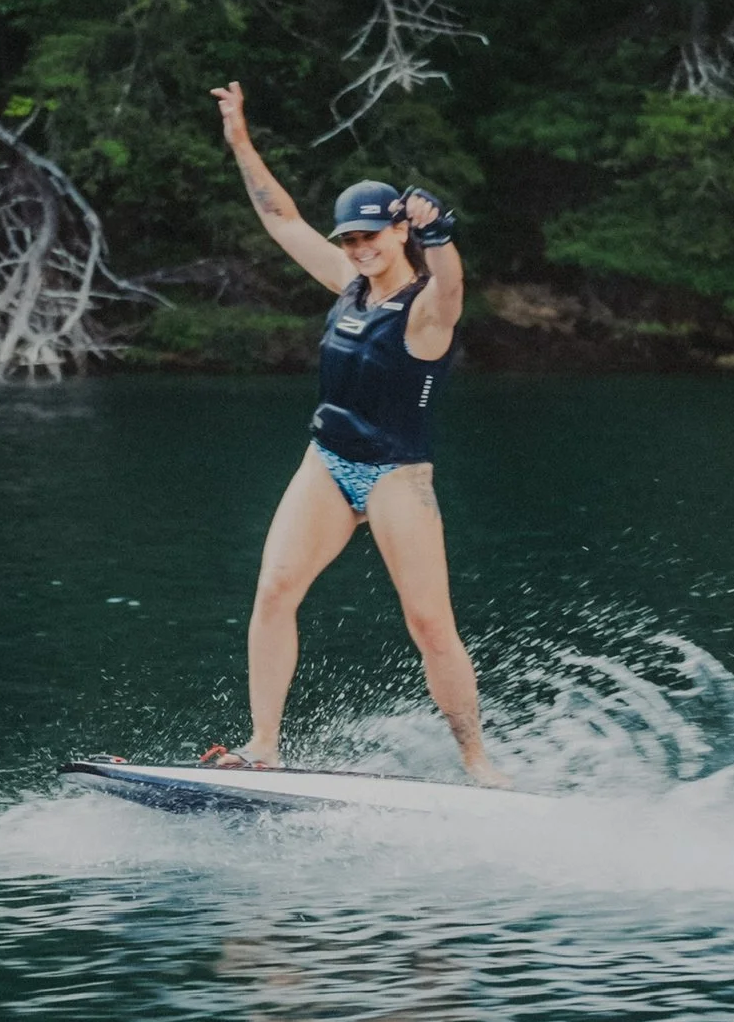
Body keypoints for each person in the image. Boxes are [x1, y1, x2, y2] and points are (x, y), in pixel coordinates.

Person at [205, 80, 509, 787]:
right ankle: (263, 745)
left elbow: (453, 288)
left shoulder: (424, 312)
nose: (358, 247)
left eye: (370, 235)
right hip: (328, 463)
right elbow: (281, 219)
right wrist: (241, 141)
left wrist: (441, 237)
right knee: (275, 588)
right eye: (349, 238)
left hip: (397, 475)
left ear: (398, 232)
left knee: (431, 626)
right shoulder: (348, 283)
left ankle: (480, 765)